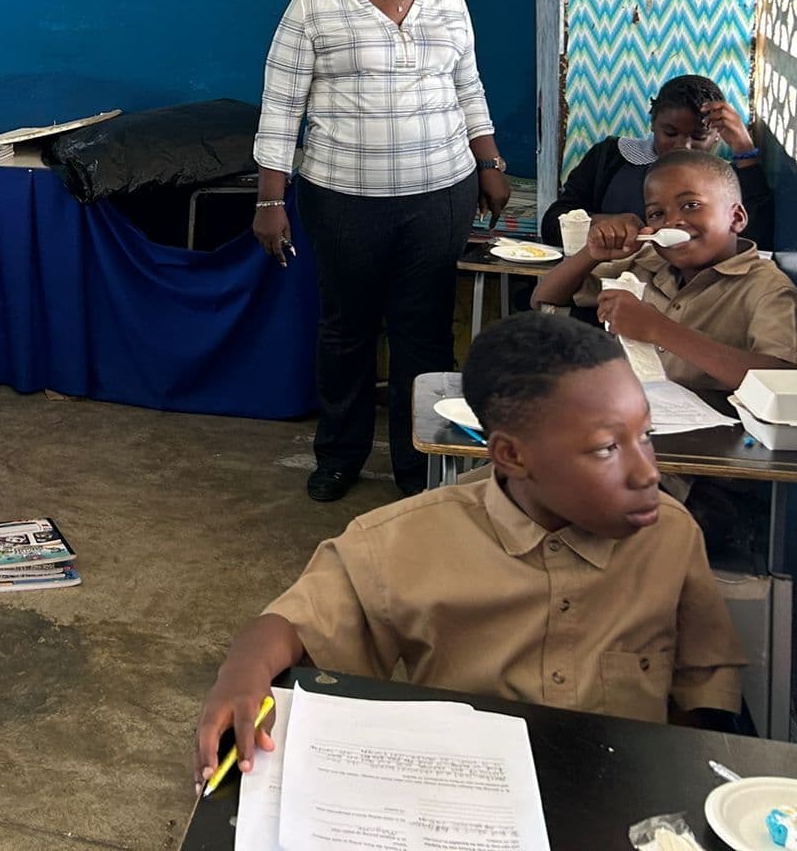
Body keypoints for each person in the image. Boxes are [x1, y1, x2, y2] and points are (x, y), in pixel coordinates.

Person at [193, 313, 743, 787]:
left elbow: (702, 692)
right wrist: (240, 676)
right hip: (465, 794)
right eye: (605, 448)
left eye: (644, 435)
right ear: (511, 455)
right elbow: (290, 625)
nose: (648, 471)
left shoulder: (670, 535)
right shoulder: (407, 540)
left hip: (620, 794)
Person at [252, 0, 510, 501]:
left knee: (424, 332)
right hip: (343, 198)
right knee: (348, 329)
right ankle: (339, 454)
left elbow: (467, 83)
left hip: (440, 192)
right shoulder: (315, 4)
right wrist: (269, 200)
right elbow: (282, 107)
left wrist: (489, 160)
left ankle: (420, 463)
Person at [530, 150, 797, 390]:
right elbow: (544, 298)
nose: (673, 222)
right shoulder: (647, 261)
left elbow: (786, 384)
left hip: (715, 445)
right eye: (656, 214)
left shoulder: (766, 288)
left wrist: (658, 329)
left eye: (692, 205)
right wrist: (591, 254)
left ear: (736, 217)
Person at [541, 73, 772, 248]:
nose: (682, 146)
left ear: (717, 135)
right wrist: (604, 224)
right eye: (669, 133)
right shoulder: (611, 158)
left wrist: (744, 148)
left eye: (698, 137)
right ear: (653, 123)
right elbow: (552, 224)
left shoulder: (724, 181)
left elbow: (755, 240)